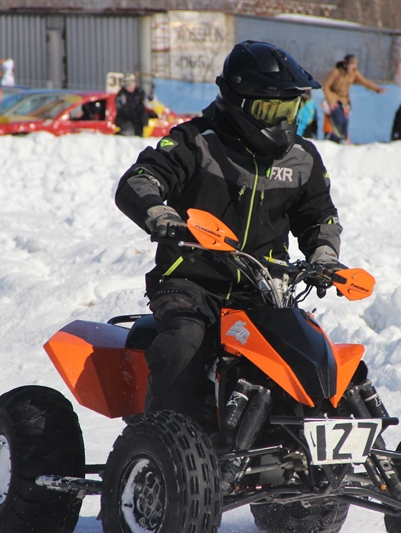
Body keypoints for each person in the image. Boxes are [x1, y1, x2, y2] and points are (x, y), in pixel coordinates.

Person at [115, 41, 344, 428]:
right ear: (239, 102)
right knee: (184, 345)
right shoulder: (195, 142)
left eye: (289, 110)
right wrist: (161, 215)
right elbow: (139, 180)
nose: (281, 122)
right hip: (190, 283)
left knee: (314, 355)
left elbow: (320, 216)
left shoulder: (302, 158)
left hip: (265, 290)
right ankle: (161, 441)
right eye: (270, 110)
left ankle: (340, 436)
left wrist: (324, 256)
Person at [321, 54, 386, 144]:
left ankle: (343, 139)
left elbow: (365, 82)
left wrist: (377, 89)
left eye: (355, 65)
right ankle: (335, 139)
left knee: (345, 121)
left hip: (345, 101)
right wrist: (331, 101)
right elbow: (325, 86)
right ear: (346, 64)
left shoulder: (354, 73)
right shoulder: (336, 72)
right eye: (352, 65)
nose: (354, 67)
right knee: (337, 118)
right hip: (333, 100)